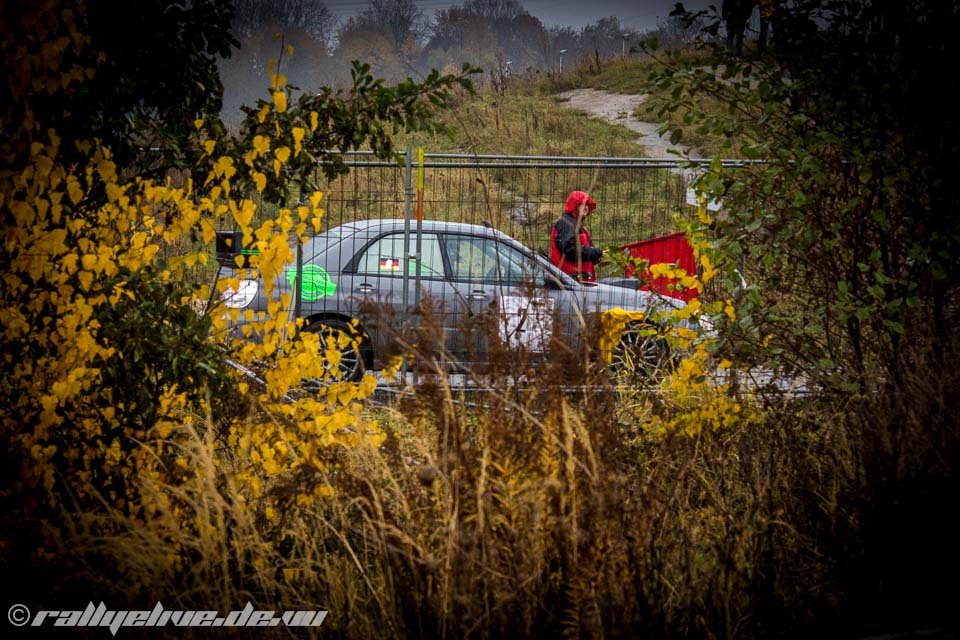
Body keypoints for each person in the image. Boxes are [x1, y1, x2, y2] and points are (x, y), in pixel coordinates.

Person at [550, 190, 602, 282]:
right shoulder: (566, 223)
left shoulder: (576, 225)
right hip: (570, 283)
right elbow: (569, 249)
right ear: (574, 206)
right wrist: (595, 253)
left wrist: (596, 257)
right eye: (583, 204)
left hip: (578, 282)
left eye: (588, 205)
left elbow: (583, 252)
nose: (586, 208)